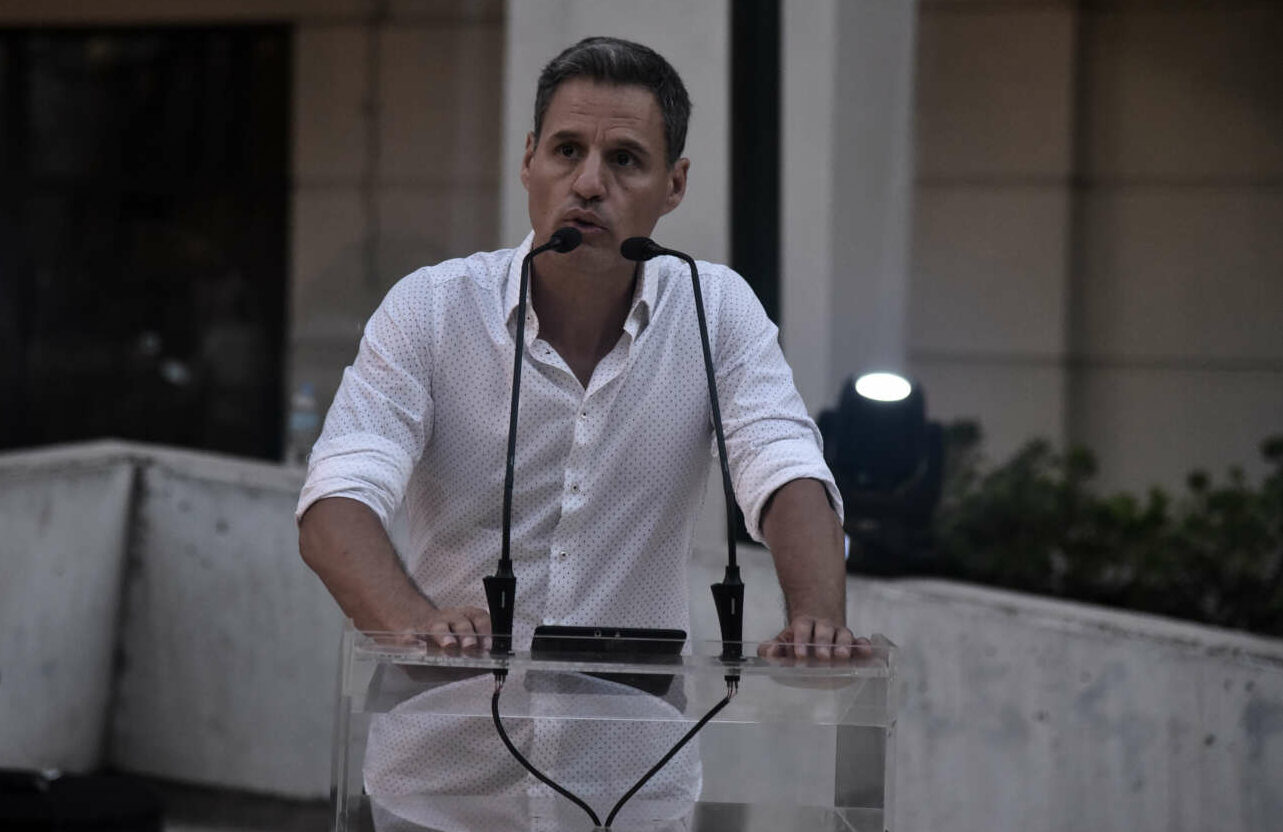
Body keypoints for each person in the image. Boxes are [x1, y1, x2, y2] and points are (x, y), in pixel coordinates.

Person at [297, 36, 863, 667]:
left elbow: (783, 465)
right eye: (567, 151)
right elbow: (337, 498)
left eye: (625, 159)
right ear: (528, 161)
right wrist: (415, 626)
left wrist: (817, 619)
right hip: (445, 723)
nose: (590, 184)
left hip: (634, 731)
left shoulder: (715, 309)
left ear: (674, 185)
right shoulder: (430, 307)